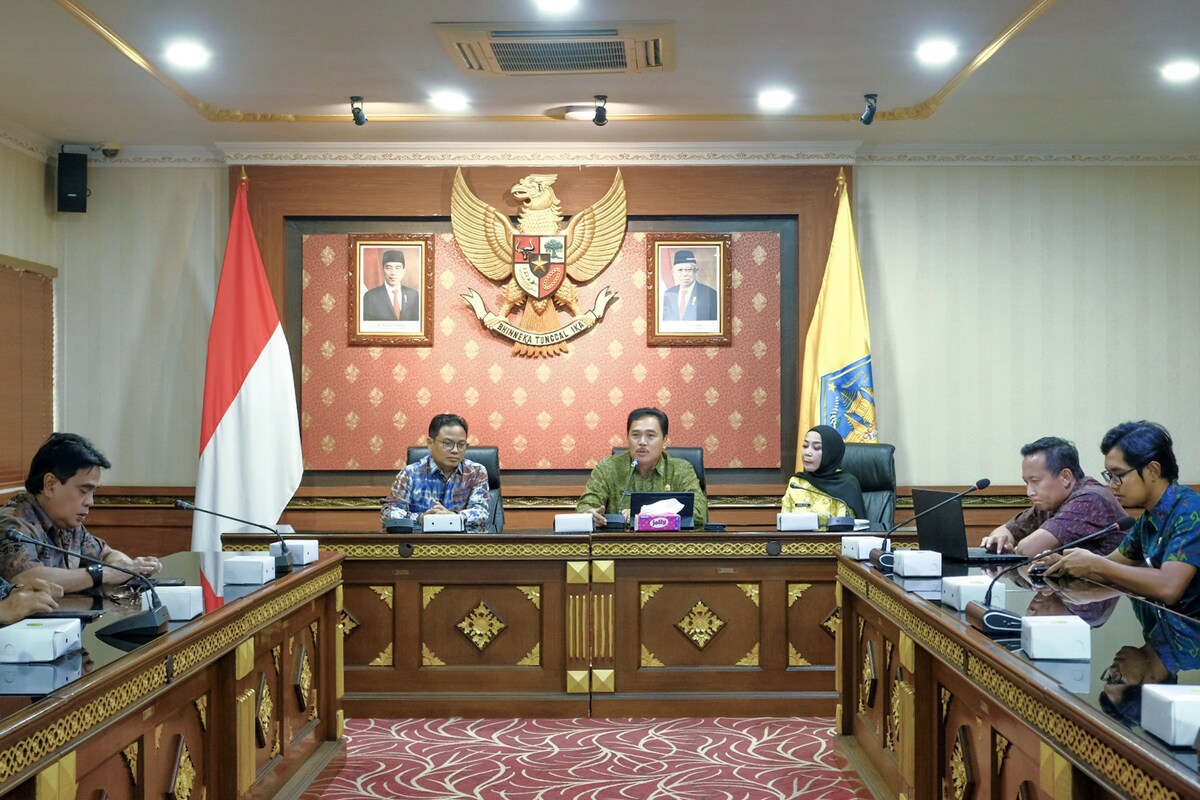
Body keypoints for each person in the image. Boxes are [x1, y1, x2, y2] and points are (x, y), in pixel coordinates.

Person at [1040, 421, 1200, 618]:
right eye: (1109, 476)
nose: (1112, 485)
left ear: (1153, 470)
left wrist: (1096, 564)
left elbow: (1169, 587)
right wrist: (1065, 563)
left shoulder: (1191, 512)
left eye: (1118, 475)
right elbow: (1112, 566)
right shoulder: (1148, 519)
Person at [0, 433, 162, 592]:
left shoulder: (67, 524)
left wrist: (132, 568)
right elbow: (25, 578)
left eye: (93, 492)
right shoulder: (12, 524)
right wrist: (105, 574)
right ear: (50, 485)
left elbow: (108, 556)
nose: (90, 502)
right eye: (84, 491)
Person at [980, 437, 1126, 556]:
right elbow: (1006, 530)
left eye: (1035, 481)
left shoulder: (1090, 499)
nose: (1029, 492)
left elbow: (1028, 549)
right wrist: (999, 540)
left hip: (1108, 583)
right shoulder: (1050, 502)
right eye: (1026, 482)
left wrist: (1013, 548)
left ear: (1065, 477)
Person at [577, 407, 707, 528]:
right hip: (620, 543)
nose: (642, 442)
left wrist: (645, 514)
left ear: (665, 440)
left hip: (668, 543)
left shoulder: (681, 470)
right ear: (627, 438)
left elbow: (699, 513)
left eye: (650, 435)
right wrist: (590, 514)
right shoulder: (608, 468)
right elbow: (584, 508)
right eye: (635, 435)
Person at [383, 414, 490, 530]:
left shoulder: (476, 472)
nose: (455, 450)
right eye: (447, 443)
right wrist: (421, 518)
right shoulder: (410, 474)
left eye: (461, 445)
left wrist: (453, 517)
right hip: (420, 540)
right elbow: (389, 513)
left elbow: (481, 512)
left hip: (462, 540)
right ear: (430, 443)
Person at [782, 425, 865, 526]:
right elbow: (784, 524)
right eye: (805, 446)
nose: (807, 453)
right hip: (797, 537)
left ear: (830, 452)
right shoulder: (796, 483)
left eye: (816, 448)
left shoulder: (846, 485)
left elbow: (843, 527)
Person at [362, 249, 419, 321]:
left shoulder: (413, 295)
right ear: (382, 270)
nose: (393, 273)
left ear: (403, 271)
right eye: (389, 268)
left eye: (397, 268)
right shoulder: (370, 297)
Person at [661, 250, 718, 322]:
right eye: (680, 270)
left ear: (696, 272)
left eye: (688, 270)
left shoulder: (710, 294)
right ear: (673, 273)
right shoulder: (669, 293)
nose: (684, 274)